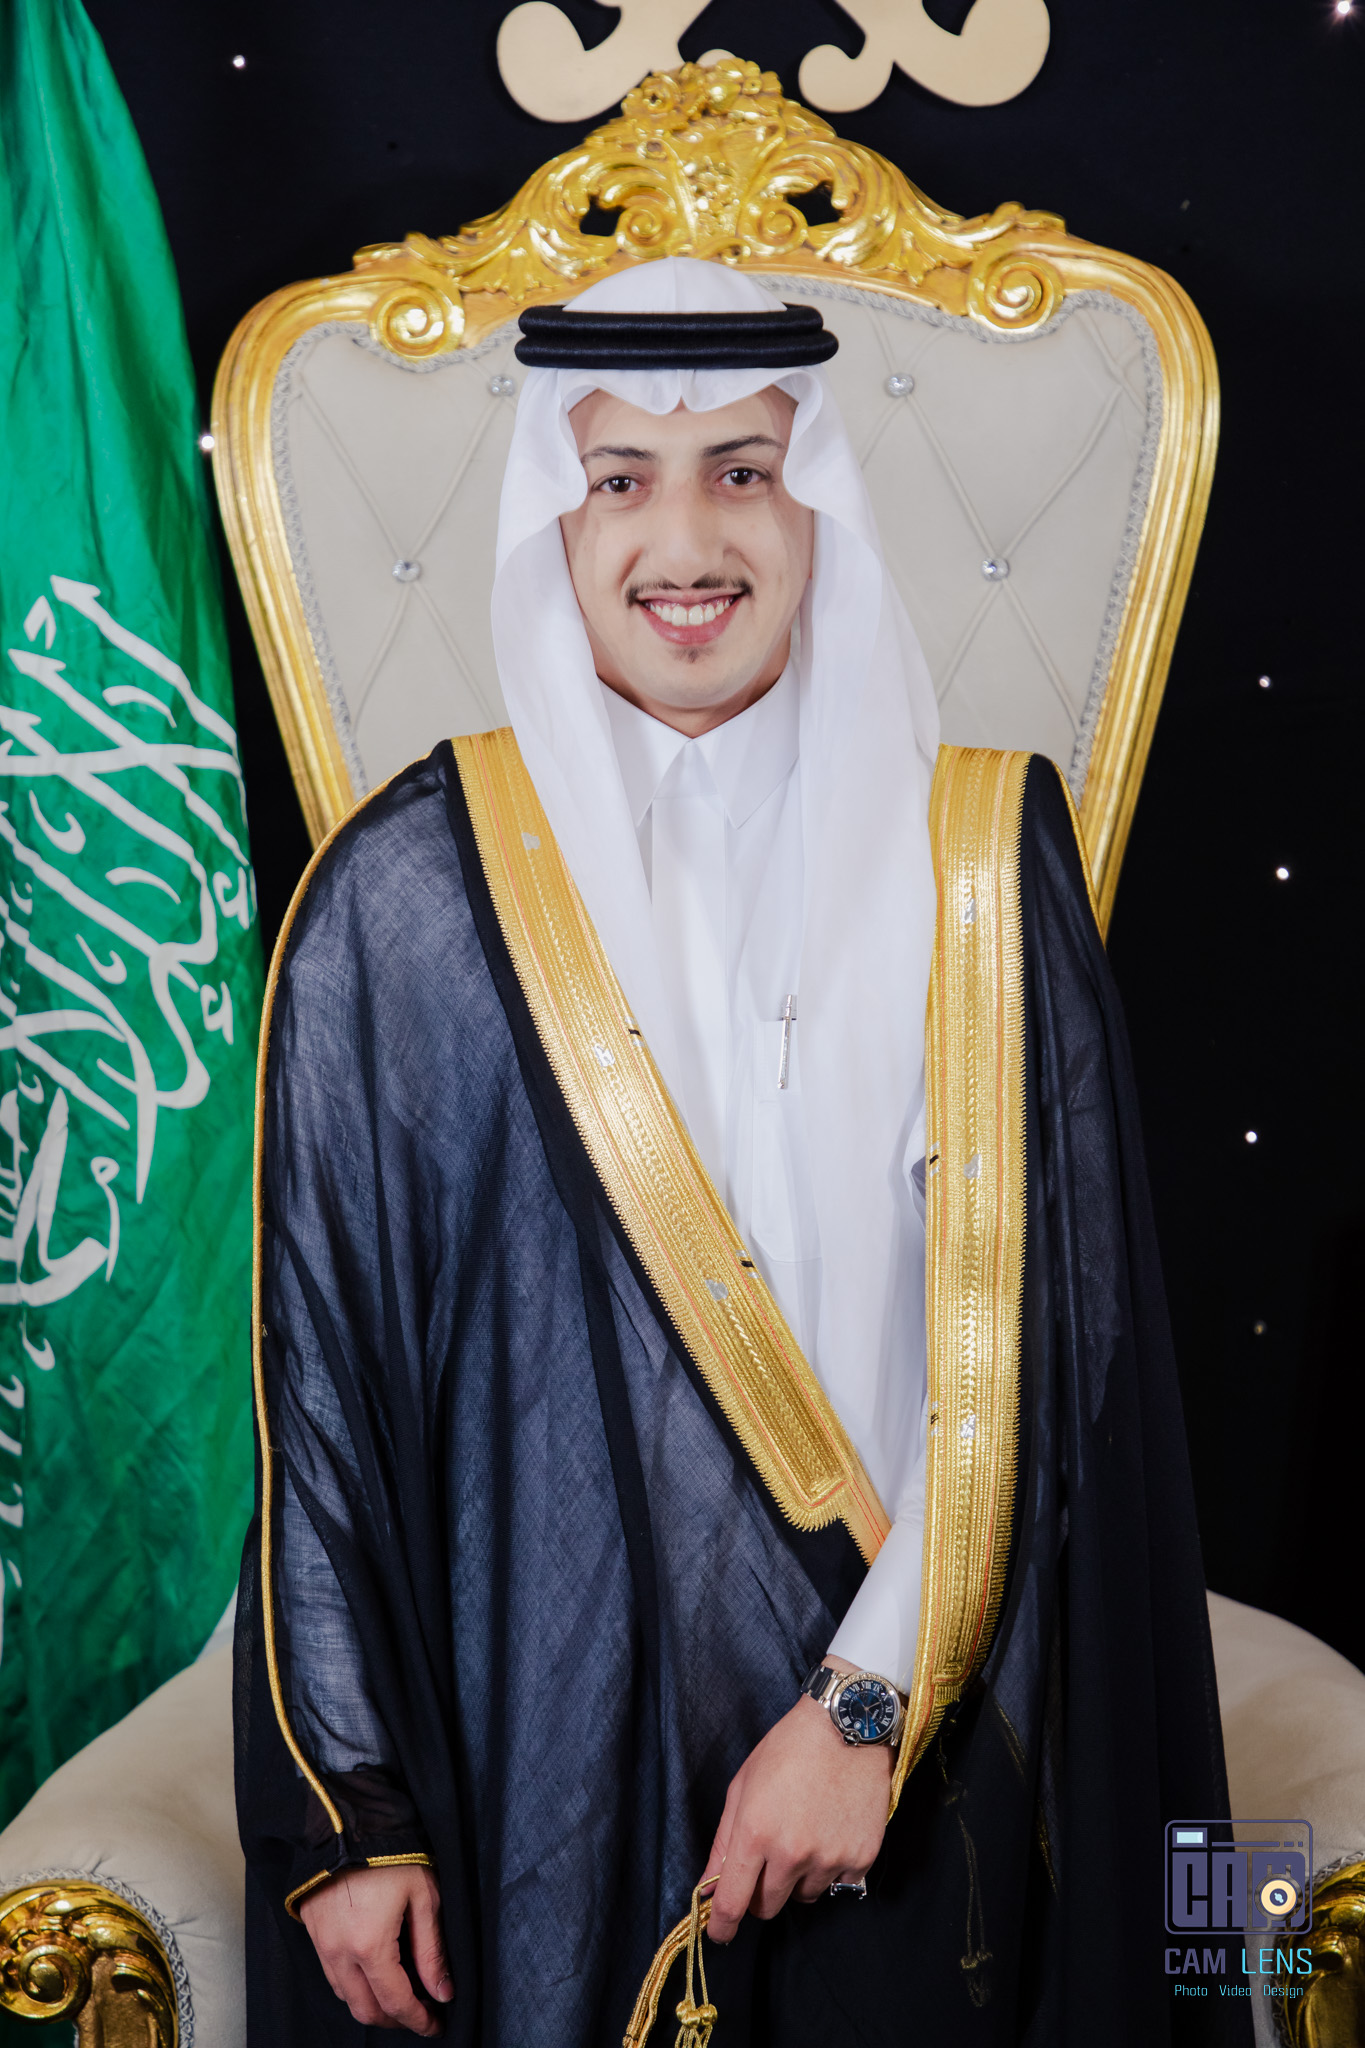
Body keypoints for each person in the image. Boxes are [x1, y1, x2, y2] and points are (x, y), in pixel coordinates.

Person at [235, 259, 1248, 2045]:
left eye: (742, 471)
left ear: (814, 501)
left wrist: (861, 1712)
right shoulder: (395, 903)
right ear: (553, 521)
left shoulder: (978, 857)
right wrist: (350, 1820)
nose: (685, 539)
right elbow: (319, 1396)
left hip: (936, 1740)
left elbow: (1060, 1366)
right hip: (538, 1755)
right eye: (620, 477)